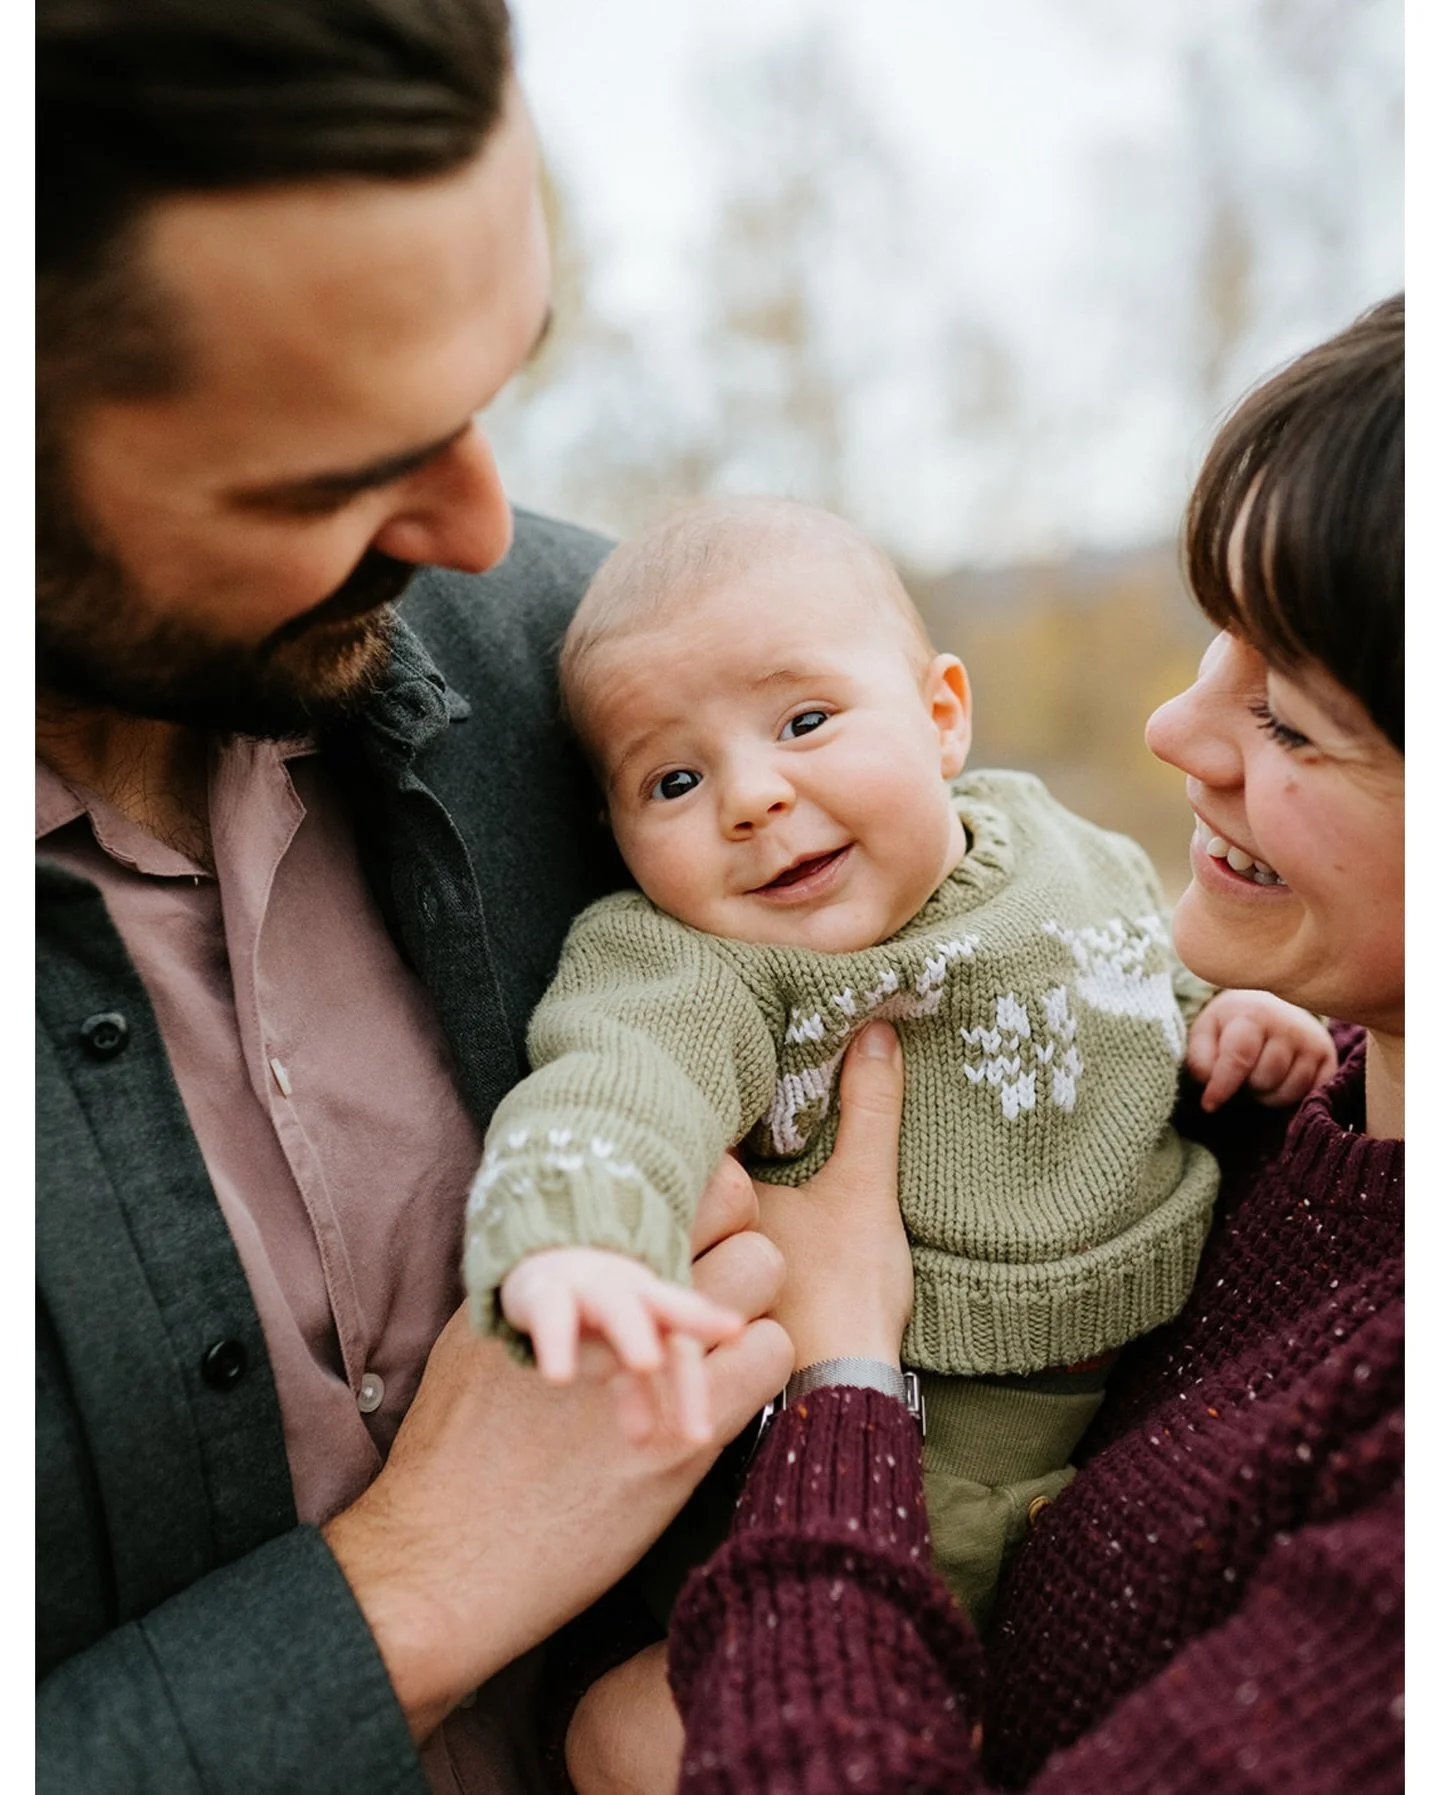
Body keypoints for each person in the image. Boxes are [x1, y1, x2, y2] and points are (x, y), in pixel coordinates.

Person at [32, 4, 857, 1790]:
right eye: (335, 473)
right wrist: (409, 1592)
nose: (485, 531)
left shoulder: (612, 689)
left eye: (497, 386)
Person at [631, 295, 1403, 1794]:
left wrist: (848, 1381)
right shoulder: (1280, 1109)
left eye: (1291, 721)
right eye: (1215, 643)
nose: (1178, 728)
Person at [463, 494, 1335, 1650]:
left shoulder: (1063, 846)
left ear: (942, 719)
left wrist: (1226, 1023)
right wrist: (575, 1232)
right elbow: (616, 1089)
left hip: (1162, 1367)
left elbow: (1145, 979)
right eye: (672, 782)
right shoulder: (693, 961)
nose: (751, 796)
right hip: (915, 1430)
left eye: (806, 719)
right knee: (909, 1666)